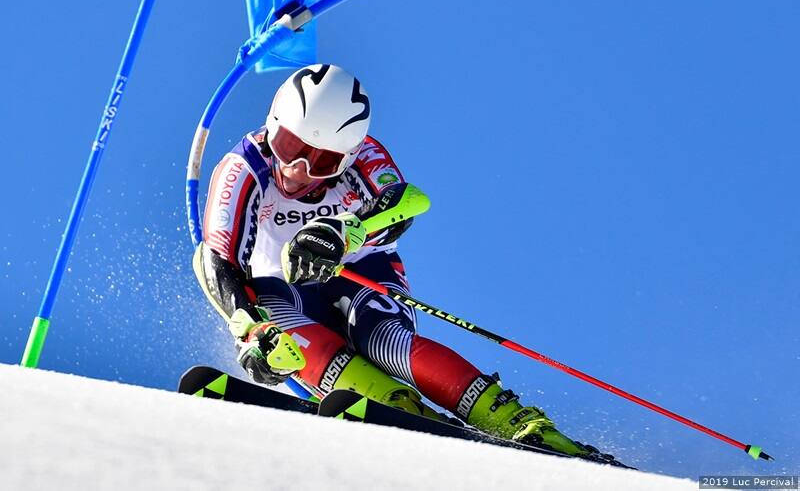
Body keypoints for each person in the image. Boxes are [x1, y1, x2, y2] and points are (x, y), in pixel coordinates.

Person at [193, 63, 598, 457]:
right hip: (286, 292)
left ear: (346, 157)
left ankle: (515, 421)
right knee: (272, 318)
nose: (298, 169)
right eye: (289, 146)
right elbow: (215, 259)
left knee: (380, 337)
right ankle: (392, 404)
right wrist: (250, 329)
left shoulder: (365, 155)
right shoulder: (243, 168)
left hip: (361, 272)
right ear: (272, 125)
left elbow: (408, 201)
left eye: (322, 162)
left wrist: (344, 232)